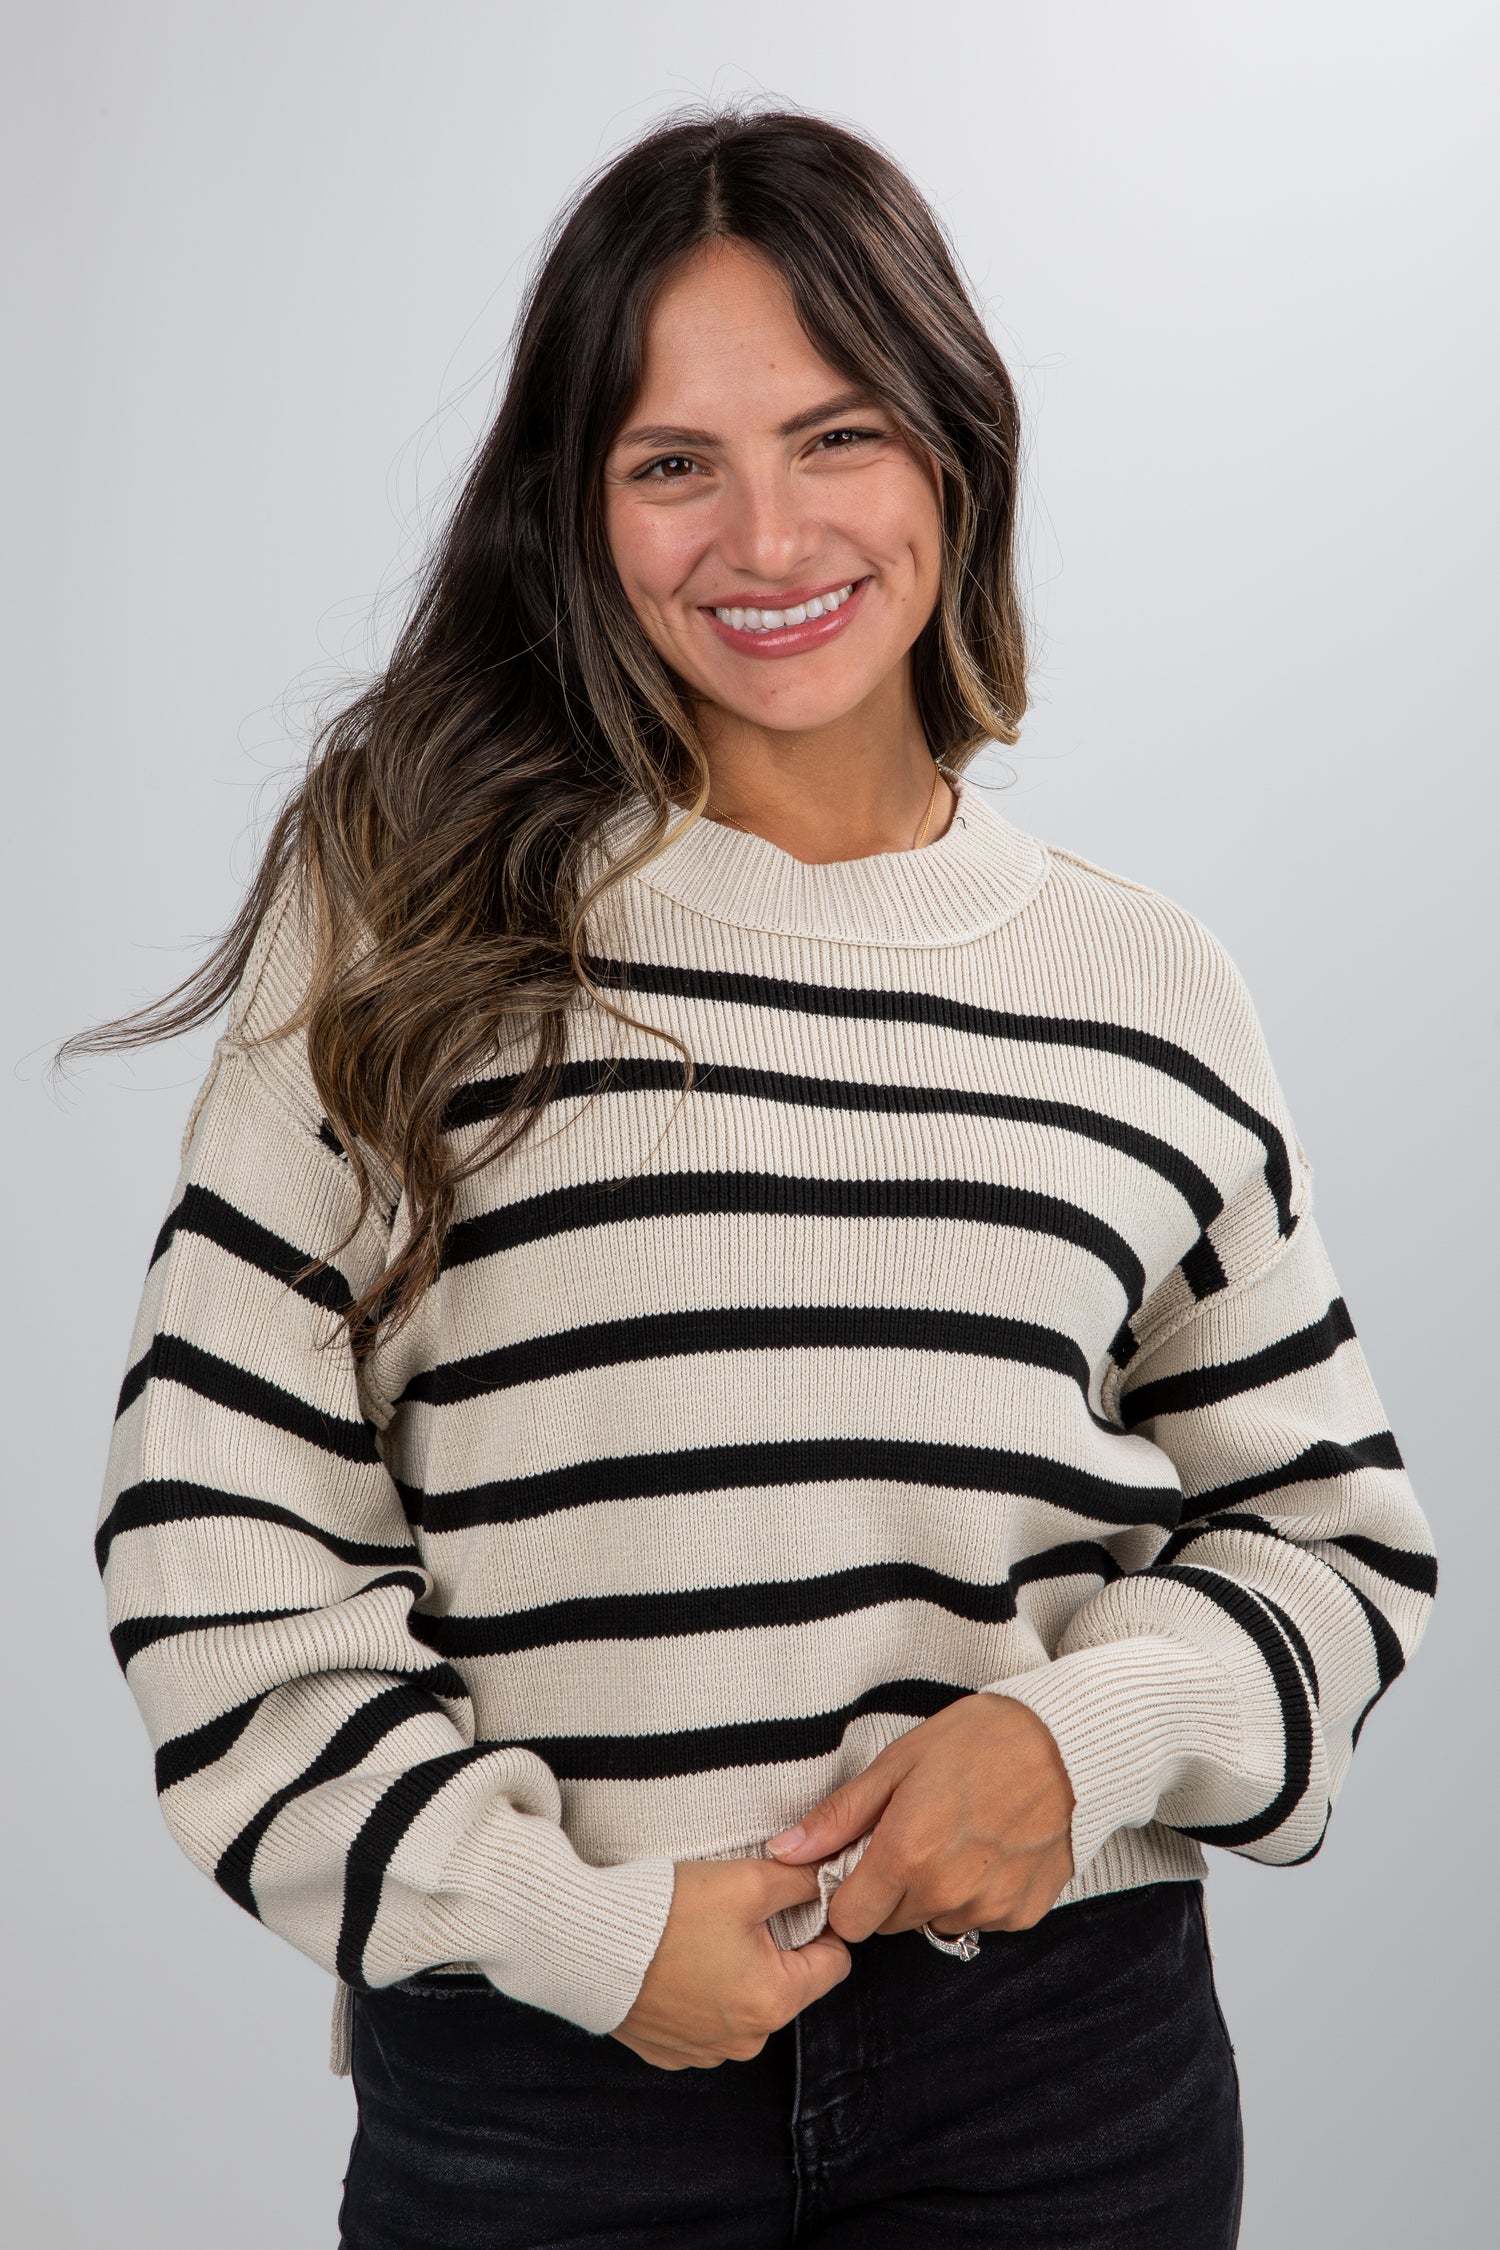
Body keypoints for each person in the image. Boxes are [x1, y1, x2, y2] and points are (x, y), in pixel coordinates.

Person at [87, 108, 1436, 2250]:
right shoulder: (401, 923)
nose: (766, 531)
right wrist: (562, 1924)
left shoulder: (1145, 984)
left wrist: (1079, 1744)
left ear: (952, 453)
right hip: (549, 2092)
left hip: (1059, 2080)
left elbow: (1333, 1543)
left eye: (837, 436)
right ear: (575, 505)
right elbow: (213, 1553)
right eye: (671, 462)